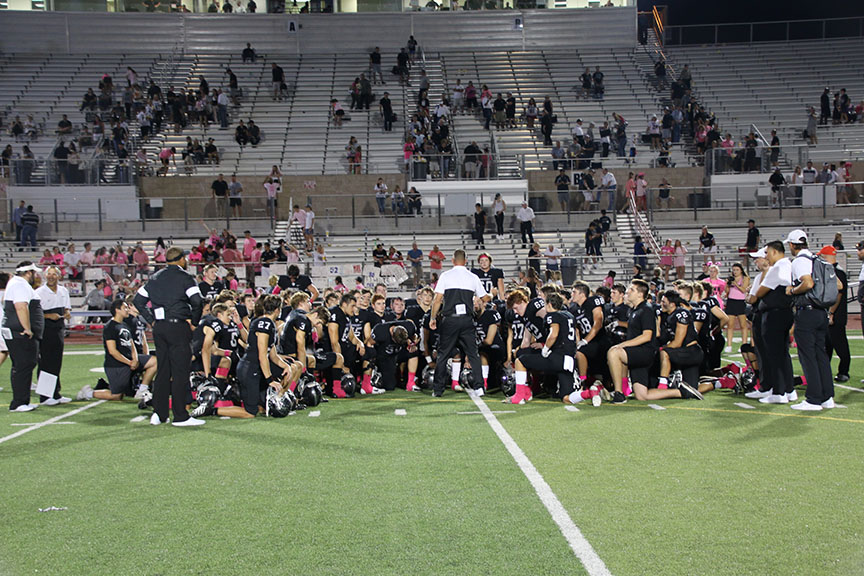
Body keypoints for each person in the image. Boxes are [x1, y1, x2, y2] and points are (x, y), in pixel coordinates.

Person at [133, 247, 205, 427]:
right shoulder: (186, 278)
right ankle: (180, 416)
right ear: (181, 259)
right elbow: (197, 301)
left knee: (163, 371)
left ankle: (159, 413)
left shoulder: (155, 278)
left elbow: (138, 301)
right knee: (180, 372)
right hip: (178, 326)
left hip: (160, 328)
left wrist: (151, 321)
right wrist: (194, 322)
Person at [785, 230, 835, 411]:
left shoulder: (800, 261)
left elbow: (807, 283)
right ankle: (826, 396)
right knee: (820, 355)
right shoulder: (818, 259)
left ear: (792, 244)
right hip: (821, 312)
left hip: (807, 312)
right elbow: (837, 285)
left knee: (808, 356)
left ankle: (813, 399)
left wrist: (792, 291)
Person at [429, 250, 490, 397]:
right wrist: (490, 295)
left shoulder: (445, 276)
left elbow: (437, 300)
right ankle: (479, 387)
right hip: (467, 320)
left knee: (443, 355)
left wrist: (432, 317)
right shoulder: (473, 277)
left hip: (449, 319)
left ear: (452, 260)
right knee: (473, 354)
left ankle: (438, 390)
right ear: (466, 261)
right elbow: (485, 298)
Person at [77, 299, 158, 403]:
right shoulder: (110, 327)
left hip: (129, 360)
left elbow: (132, 343)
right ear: (117, 310)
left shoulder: (124, 325)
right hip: (116, 365)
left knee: (155, 361)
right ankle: (88, 393)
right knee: (116, 396)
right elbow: (112, 351)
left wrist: (135, 359)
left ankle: (142, 390)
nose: (127, 310)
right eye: (125, 308)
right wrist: (129, 362)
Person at [748, 241, 795, 405]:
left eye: (767, 253)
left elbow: (760, 292)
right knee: (782, 354)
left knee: (774, 354)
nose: (766, 256)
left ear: (774, 252)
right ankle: (789, 389)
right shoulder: (788, 264)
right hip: (784, 312)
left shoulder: (779, 267)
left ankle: (779, 392)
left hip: (774, 314)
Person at [2, 263, 45, 412]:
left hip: (16, 332)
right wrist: (27, 328)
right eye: (34, 273)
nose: (37, 276)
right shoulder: (20, 285)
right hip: (20, 334)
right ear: (28, 273)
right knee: (24, 365)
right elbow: (21, 306)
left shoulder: (15, 284)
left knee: (23, 365)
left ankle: (21, 400)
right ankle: (19, 402)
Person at [34, 266, 72, 405]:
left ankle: (55, 393)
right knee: (46, 362)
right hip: (45, 329)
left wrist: (67, 313)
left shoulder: (63, 291)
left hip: (58, 329)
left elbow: (67, 308)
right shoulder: (39, 292)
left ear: (59, 276)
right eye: (48, 274)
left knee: (56, 362)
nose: (51, 276)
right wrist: (48, 315)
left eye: (53, 274)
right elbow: (34, 314)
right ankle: (44, 396)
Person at [818, 246, 849, 384]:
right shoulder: (835, 271)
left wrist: (831, 313)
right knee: (827, 346)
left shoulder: (837, 272)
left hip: (836, 317)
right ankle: (825, 371)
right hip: (832, 315)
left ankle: (843, 372)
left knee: (840, 345)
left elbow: (838, 294)